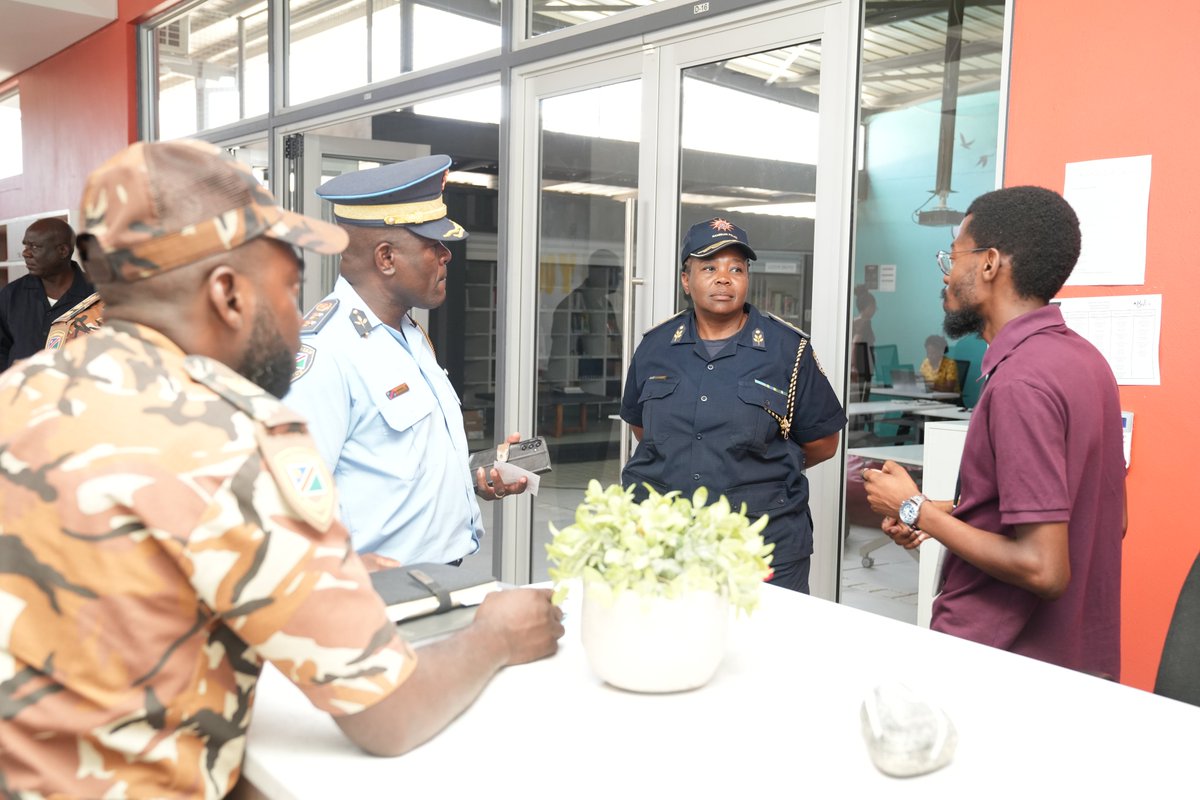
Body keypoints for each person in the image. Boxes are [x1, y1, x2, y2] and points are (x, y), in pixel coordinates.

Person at [0, 140, 564, 798]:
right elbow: (391, 714)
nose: (300, 320)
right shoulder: (230, 437)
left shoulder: (21, 392)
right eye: (288, 288)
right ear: (228, 294)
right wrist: (496, 635)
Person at [862, 186, 1125, 679]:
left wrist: (914, 508)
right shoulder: (1086, 362)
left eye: (953, 255)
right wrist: (946, 513)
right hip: (1075, 662)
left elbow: (1044, 568)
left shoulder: (1021, 382)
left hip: (1000, 665)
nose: (946, 273)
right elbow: (1095, 513)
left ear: (988, 263)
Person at [286, 155, 528, 568]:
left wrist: (475, 476)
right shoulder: (326, 353)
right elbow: (292, 509)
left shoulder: (409, 334)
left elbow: (392, 468)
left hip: (433, 579)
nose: (446, 255)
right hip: (377, 591)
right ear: (386, 258)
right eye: (432, 245)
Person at [620, 218, 846, 593]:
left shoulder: (787, 350)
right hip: (663, 541)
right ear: (686, 280)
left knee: (765, 633)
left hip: (761, 544)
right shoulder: (655, 346)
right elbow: (643, 428)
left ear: (747, 278)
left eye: (736, 269)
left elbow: (823, 442)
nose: (724, 279)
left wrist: (757, 466)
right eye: (709, 268)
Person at [0, 217, 94, 370]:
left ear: (63, 251)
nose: (25, 253)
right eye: (25, 246)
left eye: (35, 247)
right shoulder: (11, 295)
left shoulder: (98, 297)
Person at [850, 284, 876, 401]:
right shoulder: (864, 323)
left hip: (862, 365)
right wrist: (853, 366)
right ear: (867, 307)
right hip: (862, 366)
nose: (875, 310)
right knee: (862, 398)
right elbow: (855, 343)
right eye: (873, 307)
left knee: (859, 396)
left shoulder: (855, 322)